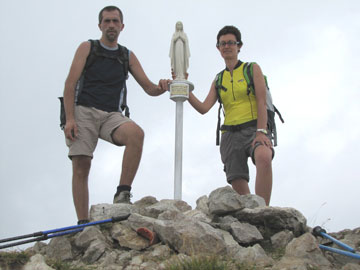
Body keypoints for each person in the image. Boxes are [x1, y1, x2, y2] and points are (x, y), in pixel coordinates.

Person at [63, 6, 170, 224]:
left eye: (115, 21)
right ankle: (83, 222)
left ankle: (123, 192)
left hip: (112, 113)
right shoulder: (87, 47)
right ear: (100, 25)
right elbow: (70, 83)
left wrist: (163, 87)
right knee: (82, 164)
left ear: (122, 26)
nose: (111, 25)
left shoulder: (126, 55)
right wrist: (70, 118)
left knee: (136, 134)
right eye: (107, 21)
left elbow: (149, 88)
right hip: (83, 110)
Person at [188, 25, 274, 205]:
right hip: (229, 135)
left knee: (264, 157)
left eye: (231, 43)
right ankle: (252, 215)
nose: (227, 46)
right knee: (237, 178)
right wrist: (184, 89)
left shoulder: (252, 69)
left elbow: (261, 101)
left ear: (239, 46)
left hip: (254, 128)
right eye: (222, 44)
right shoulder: (219, 79)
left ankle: (264, 210)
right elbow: (204, 108)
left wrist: (261, 132)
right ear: (218, 48)